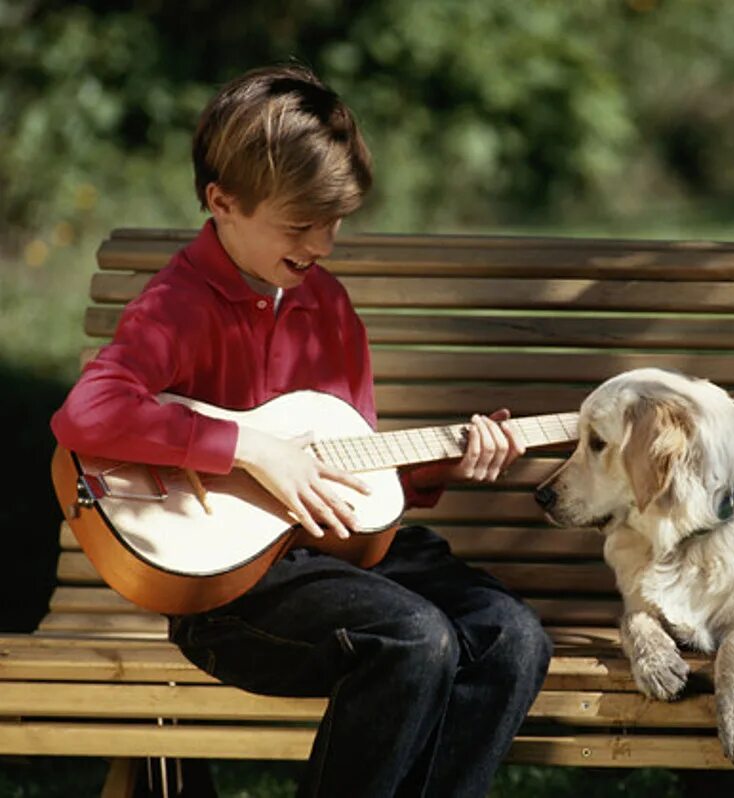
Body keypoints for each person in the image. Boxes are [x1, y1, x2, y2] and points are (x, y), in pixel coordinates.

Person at [50, 63, 552, 797]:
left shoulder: (328, 306)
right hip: (234, 593)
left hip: (341, 558)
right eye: (300, 224)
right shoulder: (177, 304)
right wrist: (250, 448)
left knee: (512, 638)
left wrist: (441, 466)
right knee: (415, 638)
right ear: (222, 202)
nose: (323, 244)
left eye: (334, 222)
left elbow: (350, 472)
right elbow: (87, 411)